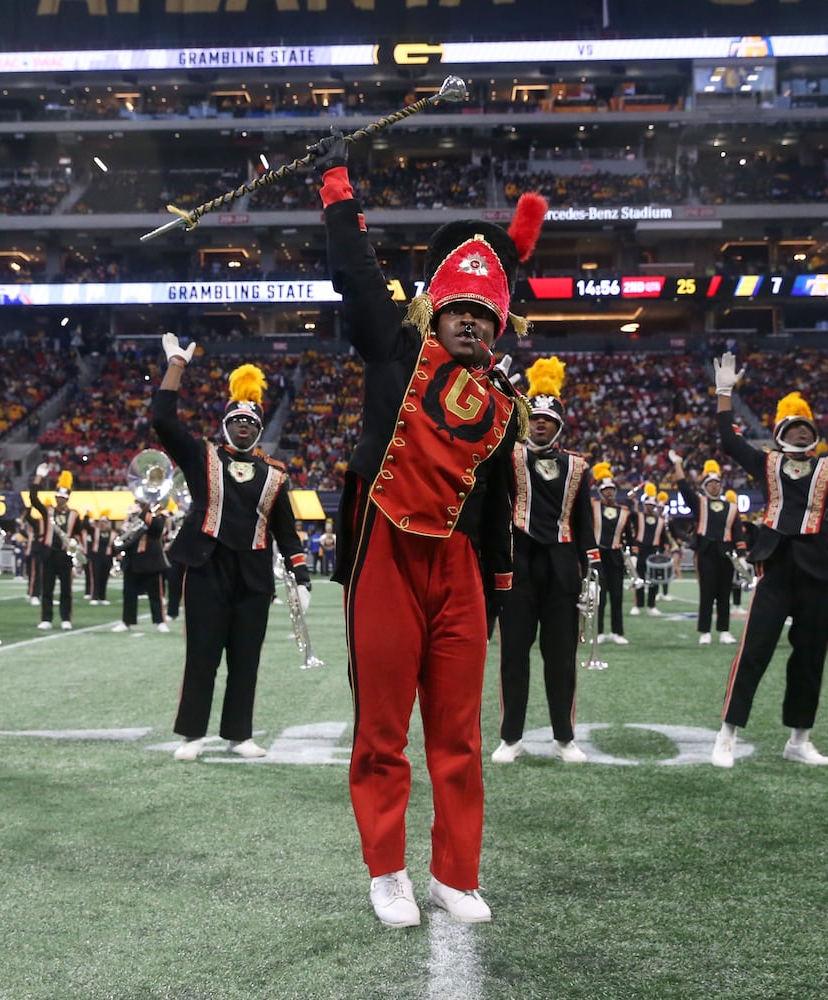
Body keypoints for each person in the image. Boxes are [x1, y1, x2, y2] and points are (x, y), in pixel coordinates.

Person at [313, 126, 537, 927]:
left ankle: (456, 874)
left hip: (460, 572)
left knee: (459, 732)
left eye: (487, 315)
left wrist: (501, 586)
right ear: (432, 310)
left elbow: (495, 509)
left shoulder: (504, 408)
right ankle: (387, 871)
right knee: (382, 726)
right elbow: (355, 274)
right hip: (387, 555)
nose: (473, 324)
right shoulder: (393, 350)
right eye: (461, 311)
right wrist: (337, 184)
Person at [708, 355, 828, 768]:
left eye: (804, 426)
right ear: (778, 434)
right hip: (775, 569)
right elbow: (728, 441)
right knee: (753, 651)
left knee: (810, 656)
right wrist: (724, 394)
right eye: (791, 426)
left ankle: (799, 738)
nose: (798, 431)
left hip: (817, 571)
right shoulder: (766, 461)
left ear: (815, 435)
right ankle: (727, 734)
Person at [150, 346, 311, 761]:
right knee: (201, 657)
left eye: (250, 421)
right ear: (225, 425)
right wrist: (176, 365)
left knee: (246, 660)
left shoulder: (275, 473)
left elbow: (286, 531)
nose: (243, 426)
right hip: (207, 570)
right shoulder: (202, 456)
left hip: (254, 577)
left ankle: (239, 735)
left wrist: (302, 579)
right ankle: (192, 735)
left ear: (259, 428)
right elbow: (163, 421)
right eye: (236, 420)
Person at [493, 357, 598, 765]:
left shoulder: (577, 465)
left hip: (561, 572)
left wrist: (592, 567)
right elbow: (494, 439)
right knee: (513, 657)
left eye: (547, 420)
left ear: (559, 424)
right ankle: (510, 737)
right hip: (518, 569)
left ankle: (564, 738)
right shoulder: (510, 456)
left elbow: (583, 520)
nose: (540, 425)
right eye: (534, 419)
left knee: (561, 661)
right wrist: (500, 392)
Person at [670, 453, 739, 645]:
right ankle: (705, 631)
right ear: (704, 487)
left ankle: (724, 630)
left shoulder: (731, 507)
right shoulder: (700, 503)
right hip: (706, 553)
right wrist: (677, 464)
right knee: (707, 593)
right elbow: (683, 487)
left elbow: (737, 532)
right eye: (710, 484)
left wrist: (740, 554)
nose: (714, 486)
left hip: (726, 553)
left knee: (725, 593)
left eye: (717, 483)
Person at [29, 470, 79, 630]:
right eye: (58, 497)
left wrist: (75, 543)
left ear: (67, 498)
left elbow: (78, 533)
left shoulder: (74, 514)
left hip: (65, 555)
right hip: (49, 554)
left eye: (63, 498)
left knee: (66, 589)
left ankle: (66, 618)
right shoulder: (48, 511)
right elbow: (33, 499)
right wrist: (38, 478)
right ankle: (46, 618)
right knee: (47, 588)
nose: (60, 500)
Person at [112, 500, 169, 633]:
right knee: (129, 594)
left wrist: (148, 515)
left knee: (155, 595)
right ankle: (127, 621)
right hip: (132, 560)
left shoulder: (155, 515)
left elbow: (157, 530)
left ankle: (160, 621)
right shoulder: (131, 514)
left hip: (151, 560)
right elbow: (124, 534)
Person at [591, 464, 631, 645]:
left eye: (612, 490)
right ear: (600, 491)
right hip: (598, 556)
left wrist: (632, 555)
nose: (609, 493)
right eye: (606, 490)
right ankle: (598, 632)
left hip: (615, 556)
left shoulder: (624, 511)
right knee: (599, 596)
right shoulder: (593, 507)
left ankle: (618, 631)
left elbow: (629, 535)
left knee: (617, 596)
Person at [630, 486, 672, 615]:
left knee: (654, 579)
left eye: (651, 505)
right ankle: (638, 605)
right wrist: (634, 502)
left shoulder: (660, 520)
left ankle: (652, 605)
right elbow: (630, 514)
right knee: (640, 578)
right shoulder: (639, 517)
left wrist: (666, 549)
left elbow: (664, 537)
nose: (649, 507)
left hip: (654, 552)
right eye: (647, 505)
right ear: (644, 505)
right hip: (641, 551)